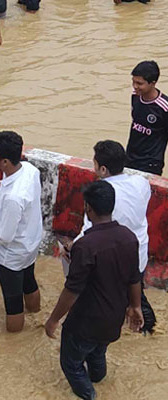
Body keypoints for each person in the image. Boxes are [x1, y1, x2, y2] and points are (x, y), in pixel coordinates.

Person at [45, 180, 144, 400]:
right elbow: (134, 276)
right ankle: (99, 378)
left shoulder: (86, 245)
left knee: (71, 363)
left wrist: (53, 319)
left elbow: (72, 290)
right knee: (98, 351)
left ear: (88, 208)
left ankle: (89, 395)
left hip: (86, 322)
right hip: (114, 317)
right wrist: (135, 306)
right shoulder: (129, 237)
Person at [71, 140, 156, 334]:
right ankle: (145, 328)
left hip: (112, 258)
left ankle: (138, 324)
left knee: (108, 299)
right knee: (134, 291)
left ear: (102, 168)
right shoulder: (140, 183)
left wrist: (71, 248)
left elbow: (88, 233)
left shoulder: (100, 196)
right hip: (137, 254)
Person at [0, 131, 42, 332]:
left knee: (12, 302)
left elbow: (4, 237)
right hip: (30, 243)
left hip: (11, 254)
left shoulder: (13, 197)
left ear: (4, 162)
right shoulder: (29, 170)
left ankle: (14, 338)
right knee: (29, 282)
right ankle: (36, 313)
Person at [125, 61, 168, 175]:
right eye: (133, 82)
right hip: (130, 158)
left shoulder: (164, 108)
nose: (135, 86)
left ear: (153, 83)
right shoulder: (135, 97)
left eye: (139, 83)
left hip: (150, 164)